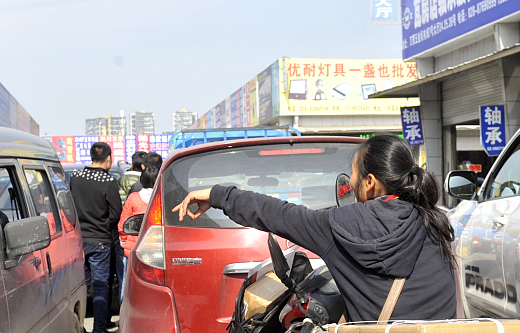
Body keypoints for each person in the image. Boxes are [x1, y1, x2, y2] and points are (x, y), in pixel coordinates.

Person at [173, 135, 456, 322]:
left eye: (353, 176)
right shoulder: (437, 222)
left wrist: (219, 195)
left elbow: (278, 214)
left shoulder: (341, 226)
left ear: (370, 183)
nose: (350, 184)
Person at [70, 142, 121, 333]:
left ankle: (79, 327)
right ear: (108, 158)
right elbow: (115, 212)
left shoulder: (76, 177)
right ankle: (99, 330)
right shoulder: (108, 181)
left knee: (81, 285)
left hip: (79, 240)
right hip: (100, 240)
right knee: (101, 286)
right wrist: (103, 225)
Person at [118, 163, 157, 269]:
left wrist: (124, 240)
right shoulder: (162, 199)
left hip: (134, 248)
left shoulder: (133, 198)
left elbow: (123, 224)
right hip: (157, 249)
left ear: (142, 180)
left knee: (128, 283)